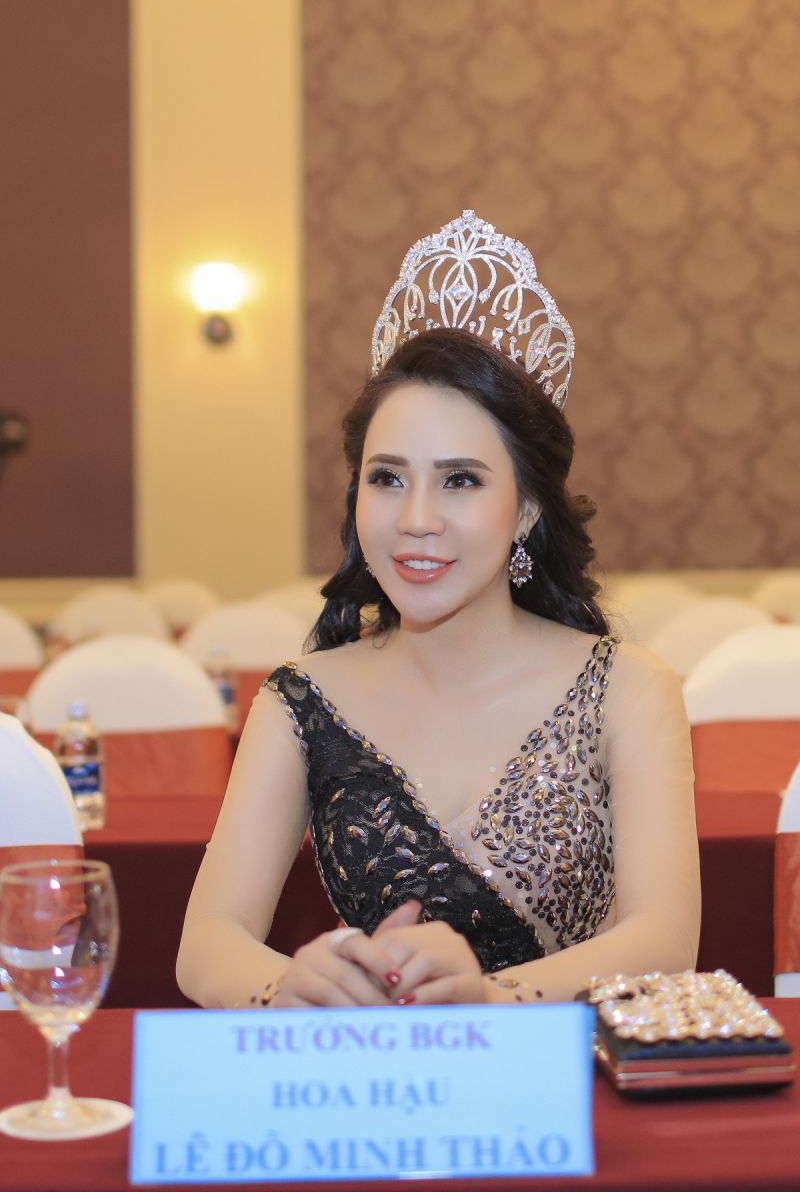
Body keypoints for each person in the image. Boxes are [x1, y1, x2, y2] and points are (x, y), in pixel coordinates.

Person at [177, 210, 700, 1009]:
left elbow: (663, 939)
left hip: (562, 1072)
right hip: (374, 1072)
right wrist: (289, 986)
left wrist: (491, 1002)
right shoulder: (300, 700)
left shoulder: (625, 688)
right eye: (387, 478)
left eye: (460, 480)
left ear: (526, 509)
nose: (416, 518)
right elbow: (207, 944)